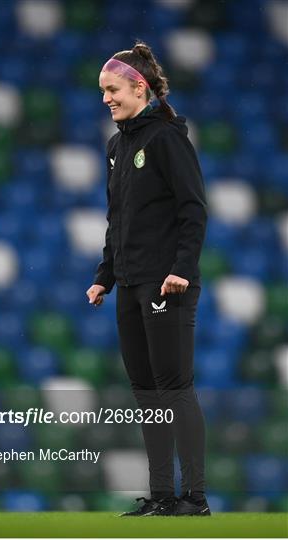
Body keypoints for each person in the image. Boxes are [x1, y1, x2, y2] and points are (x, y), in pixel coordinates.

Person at [86, 40, 210, 517]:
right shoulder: (118, 145)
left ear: (139, 87)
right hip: (131, 284)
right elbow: (118, 219)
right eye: (102, 91)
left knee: (173, 388)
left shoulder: (166, 138)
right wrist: (105, 275)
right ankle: (162, 496)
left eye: (112, 89)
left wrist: (181, 268)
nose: (106, 99)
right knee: (146, 392)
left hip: (166, 284)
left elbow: (193, 210)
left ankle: (194, 499)